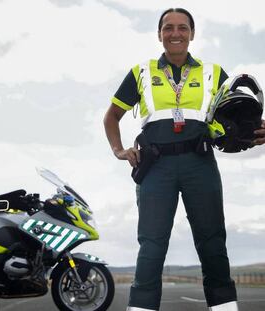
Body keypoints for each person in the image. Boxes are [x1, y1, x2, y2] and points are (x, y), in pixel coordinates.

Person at [103, 8, 265, 311]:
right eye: (168, 28)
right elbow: (112, 116)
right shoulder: (142, 72)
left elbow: (239, 113)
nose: (175, 33)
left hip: (199, 164)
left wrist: (255, 131)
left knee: (213, 244)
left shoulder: (213, 73)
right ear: (159, 34)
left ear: (191, 33)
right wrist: (119, 150)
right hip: (155, 168)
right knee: (151, 246)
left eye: (182, 28)